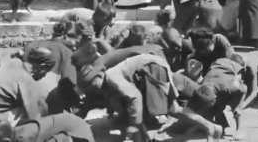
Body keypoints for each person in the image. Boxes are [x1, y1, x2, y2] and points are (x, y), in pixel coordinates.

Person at [78, 54, 222, 141]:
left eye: (91, 83)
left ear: (98, 76)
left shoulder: (111, 78)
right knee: (171, 109)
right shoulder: (107, 82)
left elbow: (135, 98)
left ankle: (210, 127)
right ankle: (212, 127)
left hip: (153, 68)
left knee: (173, 109)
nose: (92, 87)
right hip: (150, 67)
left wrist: (134, 125)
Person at [0, 46, 56, 142]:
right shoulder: (26, 80)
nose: (44, 76)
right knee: (32, 116)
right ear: (41, 66)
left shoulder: (14, 63)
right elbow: (38, 118)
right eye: (46, 72)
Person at [187, 57, 247, 138]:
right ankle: (219, 125)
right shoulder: (202, 86)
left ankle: (239, 130)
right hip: (217, 75)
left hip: (230, 77)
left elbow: (243, 89)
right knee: (216, 106)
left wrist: (238, 106)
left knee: (236, 108)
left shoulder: (231, 87)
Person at [0, 113, 94, 142]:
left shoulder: (24, 138)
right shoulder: (15, 131)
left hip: (78, 133)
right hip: (70, 123)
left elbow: (63, 139)